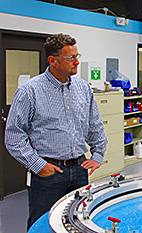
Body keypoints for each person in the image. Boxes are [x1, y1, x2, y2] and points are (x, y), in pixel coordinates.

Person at [4, 33, 107, 230]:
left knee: (77, 221)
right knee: (42, 224)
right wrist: (38, 165)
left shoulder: (83, 88)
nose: (77, 62)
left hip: (79, 169)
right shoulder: (30, 91)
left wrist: (98, 155)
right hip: (48, 173)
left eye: (77, 55)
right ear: (52, 60)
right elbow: (14, 136)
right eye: (70, 58)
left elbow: (95, 124)